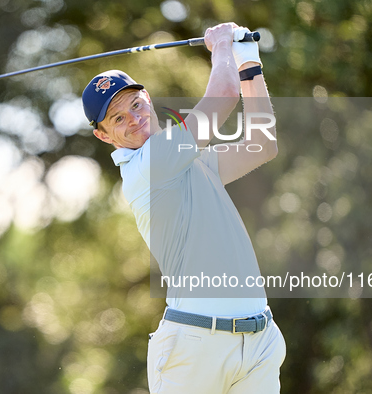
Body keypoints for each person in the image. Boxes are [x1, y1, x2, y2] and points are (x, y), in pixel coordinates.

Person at [81, 22, 285, 393]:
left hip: (258, 340)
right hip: (194, 347)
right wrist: (222, 44)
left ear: (146, 97)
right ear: (103, 135)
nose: (135, 120)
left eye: (136, 105)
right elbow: (223, 95)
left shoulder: (192, 162)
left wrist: (249, 65)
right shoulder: (148, 166)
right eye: (118, 119)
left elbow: (262, 144)